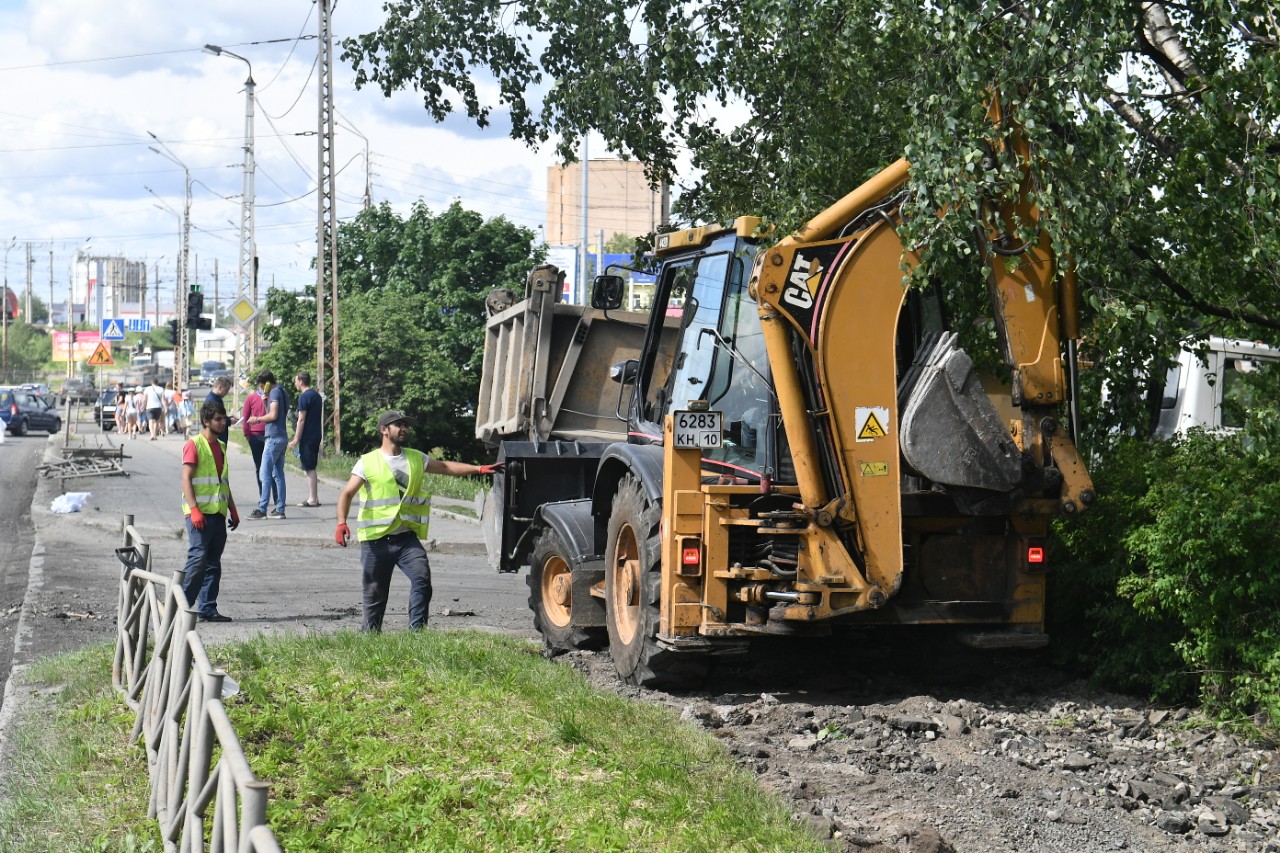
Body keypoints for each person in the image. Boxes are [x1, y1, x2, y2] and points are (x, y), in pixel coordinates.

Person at [334, 409, 502, 632]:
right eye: (398, 424)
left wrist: (478, 468)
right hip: (376, 540)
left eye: (406, 425)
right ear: (384, 430)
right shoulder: (367, 462)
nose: (404, 429)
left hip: (406, 539)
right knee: (375, 593)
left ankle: (417, 633)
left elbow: (444, 467)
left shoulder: (415, 457)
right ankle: (369, 637)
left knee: (422, 579)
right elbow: (346, 494)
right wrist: (341, 522)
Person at [180, 400, 240, 622]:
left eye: (224, 418)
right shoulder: (194, 444)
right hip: (199, 513)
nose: (223, 422)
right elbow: (186, 478)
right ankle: (181, 607)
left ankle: (207, 608)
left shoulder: (222, 446)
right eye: (218, 419)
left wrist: (233, 509)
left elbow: (222, 482)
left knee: (213, 563)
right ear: (206, 421)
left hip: (218, 513)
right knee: (198, 560)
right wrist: (194, 510)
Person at [246, 369, 288, 519]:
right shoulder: (281, 391)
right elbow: (273, 413)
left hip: (273, 438)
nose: (261, 389)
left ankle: (262, 509)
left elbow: (273, 415)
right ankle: (280, 509)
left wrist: (256, 419)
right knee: (278, 474)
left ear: (266, 383)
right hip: (281, 436)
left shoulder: (275, 392)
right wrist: (265, 402)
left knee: (265, 474)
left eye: (261, 386)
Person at [289, 370, 323, 507]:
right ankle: (314, 497)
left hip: (307, 436)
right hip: (316, 434)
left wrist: (296, 439)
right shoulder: (316, 395)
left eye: (296, 381)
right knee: (311, 466)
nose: (295, 383)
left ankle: (312, 498)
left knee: (309, 467)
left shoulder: (304, 397)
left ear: (301, 381)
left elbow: (301, 419)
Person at [240, 384, 275, 507]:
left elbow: (245, 417)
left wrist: (247, 433)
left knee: (268, 467)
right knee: (263, 467)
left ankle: (272, 497)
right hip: (256, 436)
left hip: (267, 435)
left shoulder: (272, 397)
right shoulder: (252, 398)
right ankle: (265, 496)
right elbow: (246, 416)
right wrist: (247, 433)